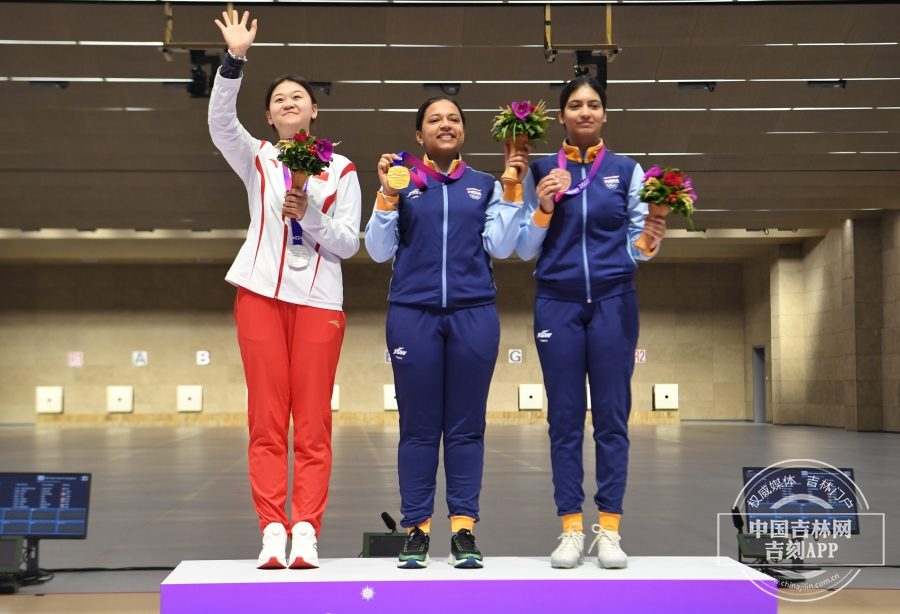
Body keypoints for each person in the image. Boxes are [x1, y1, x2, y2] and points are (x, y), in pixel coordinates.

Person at [209, 10, 361, 569]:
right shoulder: (258, 158)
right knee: (267, 421)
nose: (288, 102)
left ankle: (306, 529)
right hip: (260, 297)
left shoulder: (342, 169)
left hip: (319, 303)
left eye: (298, 97)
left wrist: (310, 215)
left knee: (314, 424)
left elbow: (347, 243)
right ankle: (272, 527)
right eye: (278, 99)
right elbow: (220, 122)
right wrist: (235, 60)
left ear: (314, 110)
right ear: (270, 117)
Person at [365, 96, 526, 569]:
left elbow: (501, 246)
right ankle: (416, 531)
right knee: (417, 429)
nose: (445, 124)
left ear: (463, 131)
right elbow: (377, 250)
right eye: (434, 119)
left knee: (466, 429)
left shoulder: (485, 184)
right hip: (412, 315)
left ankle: (463, 531)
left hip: (474, 315)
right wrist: (386, 196)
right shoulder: (403, 180)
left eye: (454, 118)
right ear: (419, 135)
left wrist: (513, 187)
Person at [516, 75, 666, 570]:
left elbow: (639, 243)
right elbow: (524, 247)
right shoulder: (541, 169)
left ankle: (610, 530)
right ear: (561, 116)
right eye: (576, 105)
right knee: (563, 419)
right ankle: (570, 529)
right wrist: (543, 206)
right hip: (556, 303)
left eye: (594, 105)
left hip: (613, 302)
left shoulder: (626, 170)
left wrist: (650, 238)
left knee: (611, 419)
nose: (585, 112)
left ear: (604, 114)